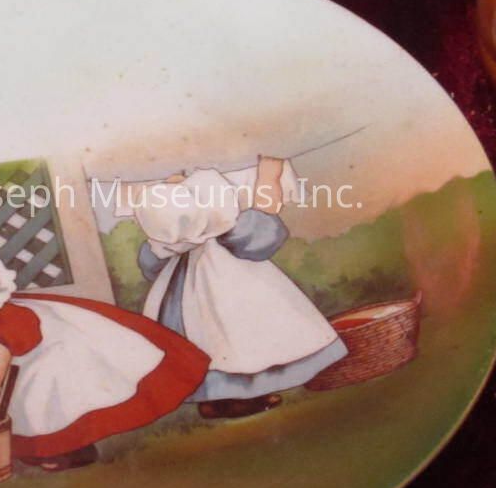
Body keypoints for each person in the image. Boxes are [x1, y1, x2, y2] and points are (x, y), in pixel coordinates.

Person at [0, 248, 208, 471]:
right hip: (52, 351)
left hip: (59, 358)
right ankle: (49, 449)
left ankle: (66, 452)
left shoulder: (1, 327)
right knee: (38, 403)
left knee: (49, 404)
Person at [127, 158, 347, 419]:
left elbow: (150, 264)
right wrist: (268, 179)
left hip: (181, 301)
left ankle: (214, 400)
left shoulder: (171, 246)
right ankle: (241, 396)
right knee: (236, 335)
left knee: (206, 342)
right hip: (227, 292)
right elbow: (264, 231)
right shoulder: (227, 233)